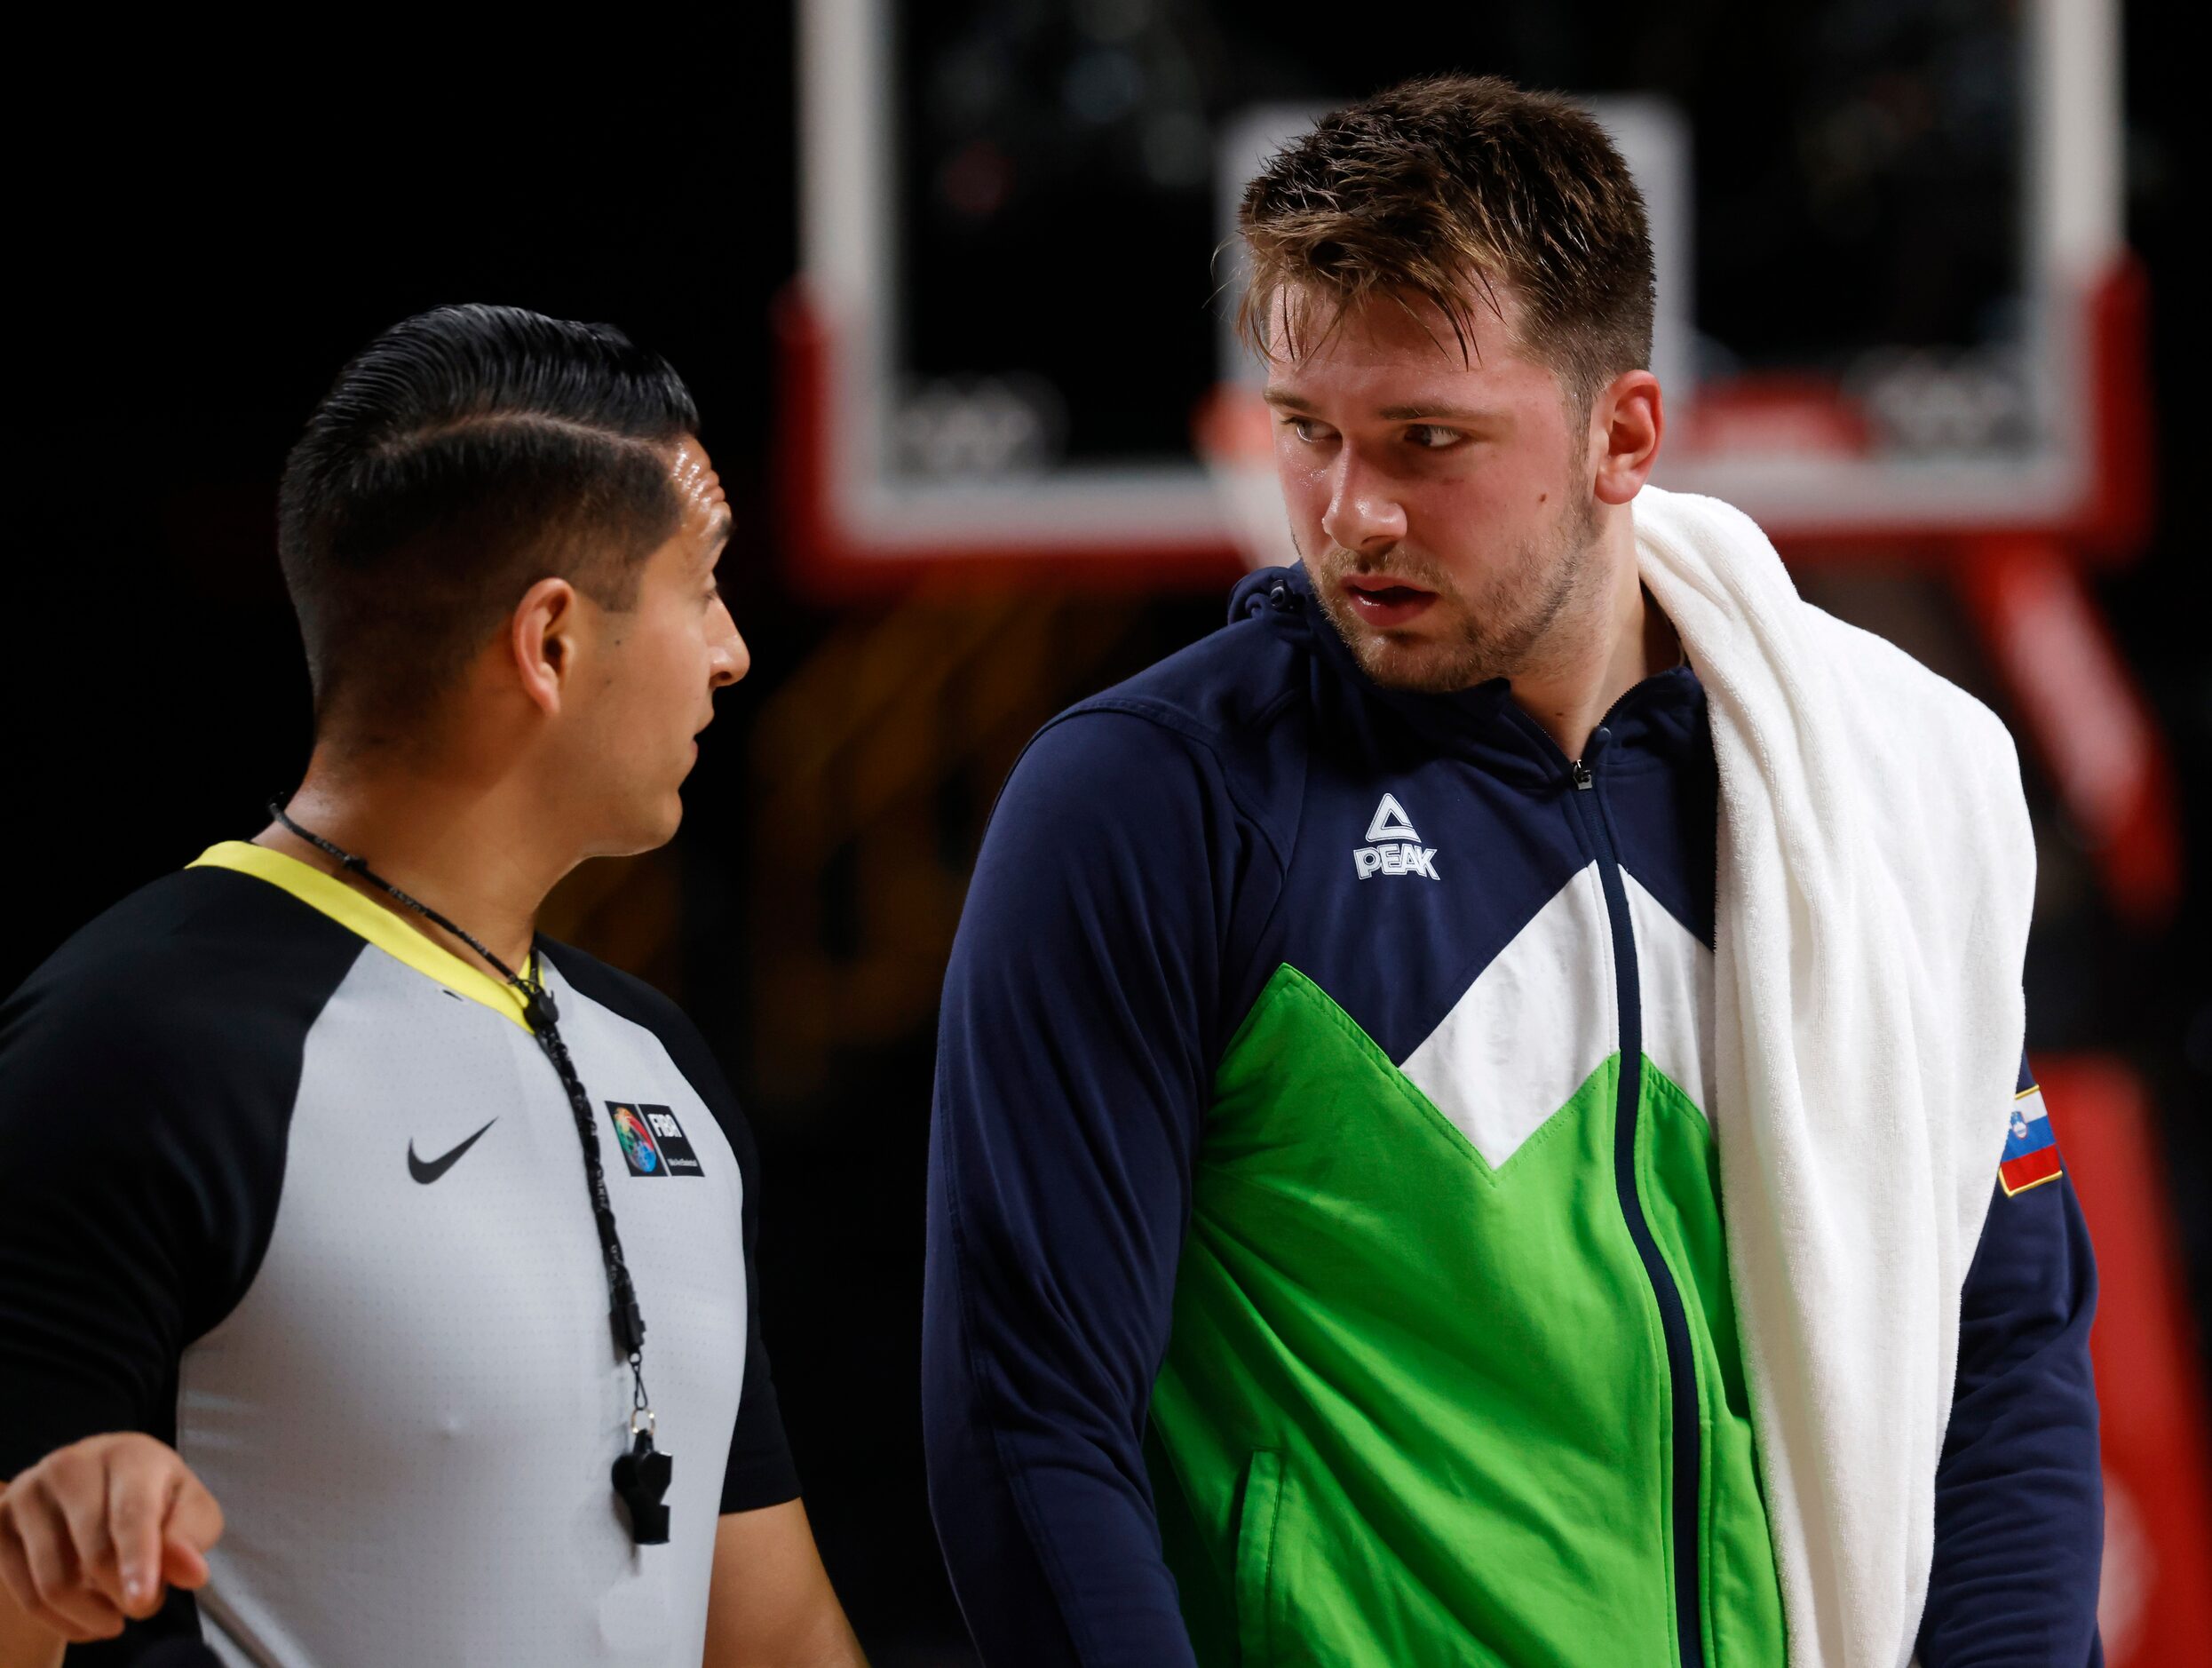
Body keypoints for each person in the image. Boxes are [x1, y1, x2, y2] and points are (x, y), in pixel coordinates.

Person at [922, 76, 2101, 1666]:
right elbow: (1030, 1419)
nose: (1353, 512)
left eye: (1429, 439)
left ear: (1623, 433)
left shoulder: (1878, 791)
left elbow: (2006, 1342)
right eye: (1309, 435)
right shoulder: (1148, 801)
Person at [0, 306, 867, 1668]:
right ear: (552, 642)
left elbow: (765, 1625)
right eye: (704, 588)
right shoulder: (130, 1047)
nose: (734, 650)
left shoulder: (660, 1062)